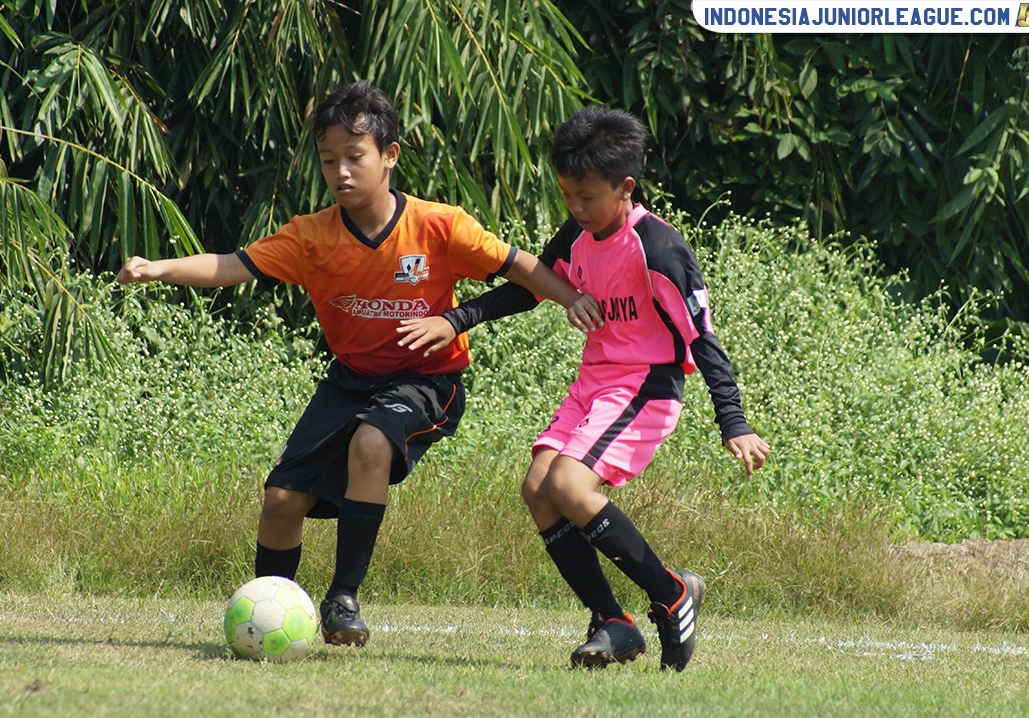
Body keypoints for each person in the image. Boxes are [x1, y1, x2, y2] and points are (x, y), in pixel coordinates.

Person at [116, 80, 595, 648]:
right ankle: (267, 620)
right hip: (349, 382)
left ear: (389, 156)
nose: (341, 171)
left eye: (354, 157)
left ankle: (343, 597)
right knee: (281, 501)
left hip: (426, 381)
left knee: (372, 441)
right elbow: (231, 266)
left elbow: (521, 267)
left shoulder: (440, 225)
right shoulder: (310, 237)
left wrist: (572, 298)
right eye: (328, 160)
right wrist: (160, 267)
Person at [397, 106, 770, 672]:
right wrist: (457, 318)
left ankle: (671, 594)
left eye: (586, 197)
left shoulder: (661, 251)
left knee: (570, 485)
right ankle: (613, 622)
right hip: (595, 383)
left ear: (625, 188)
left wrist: (734, 421)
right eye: (567, 194)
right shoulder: (579, 231)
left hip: (647, 385)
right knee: (539, 487)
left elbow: (702, 339)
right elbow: (532, 286)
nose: (574, 208)